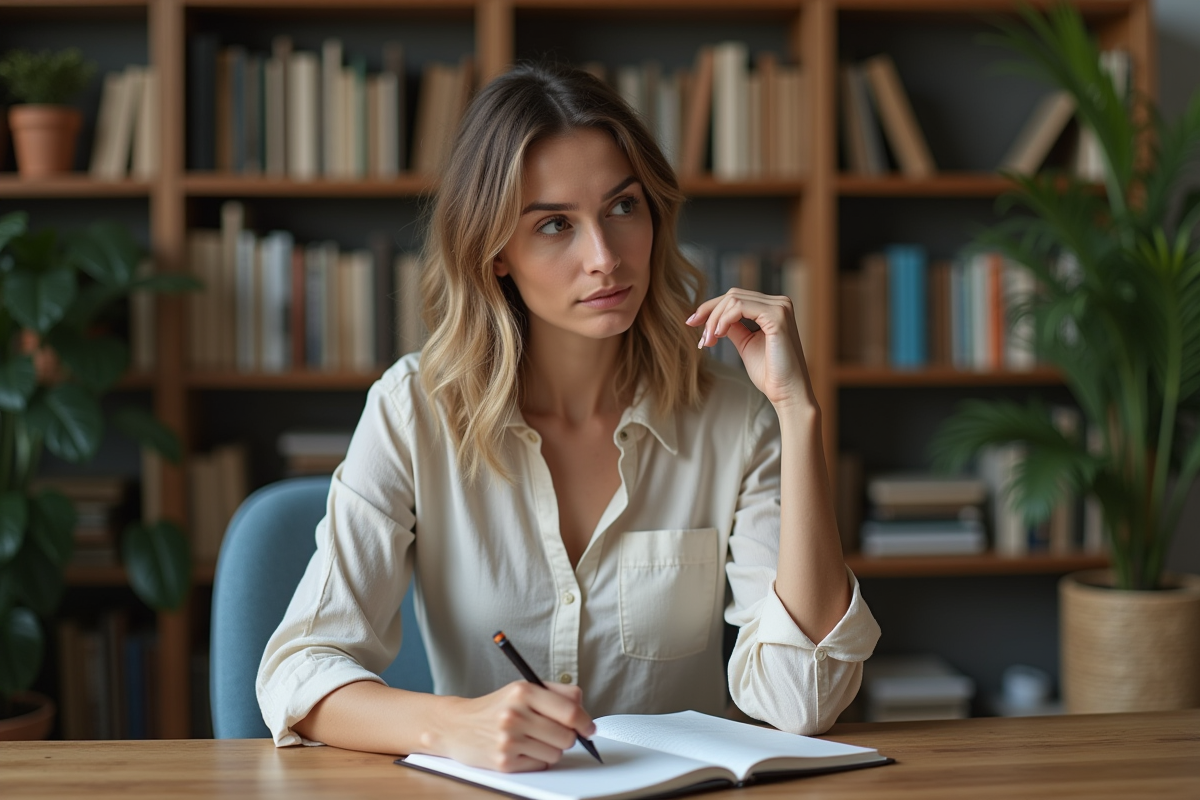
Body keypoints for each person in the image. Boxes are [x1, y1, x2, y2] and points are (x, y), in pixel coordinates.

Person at [257, 62, 879, 772]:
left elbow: (803, 701)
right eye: (555, 224)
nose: (606, 258)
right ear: (494, 254)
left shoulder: (735, 421)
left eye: (622, 208)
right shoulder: (414, 412)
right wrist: (452, 725)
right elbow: (297, 672)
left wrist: (796, 414)